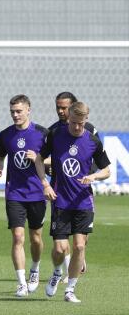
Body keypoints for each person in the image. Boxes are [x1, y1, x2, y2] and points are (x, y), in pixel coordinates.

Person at [37, 101, 110, 303]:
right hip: (61, 201)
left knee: (79, 247)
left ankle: (70, 289)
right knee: (60, 249)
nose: (77, 127)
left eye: (81, 123)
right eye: (74, 122)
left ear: (86, 120)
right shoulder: (56, 136)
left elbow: (107, 170)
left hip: (83, 201)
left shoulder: (93, 141)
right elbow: (38, 159)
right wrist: (45, 184)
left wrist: (94, 177)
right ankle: (57, 271)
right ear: (68, 117)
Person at [0, 95, 49, 297]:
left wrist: (40, 158)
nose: (15, 115)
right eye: (12, 112)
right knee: (18, 237)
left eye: (18, 111)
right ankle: (21, 282)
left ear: (28, 110)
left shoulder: (42, 133)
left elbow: (54, 159)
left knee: (36, 238)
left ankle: (35, 268)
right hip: (14, 193)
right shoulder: (6, 135)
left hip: (36, 193)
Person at [46, 92, 98, 281]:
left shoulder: (90, 131)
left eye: (65, 107)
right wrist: (51, 166)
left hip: (83, 189)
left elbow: (95, 156)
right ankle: (64, 267)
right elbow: (42, 158)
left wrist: (89, 175)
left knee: (80, 242)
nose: (61, 111)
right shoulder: (53, 132)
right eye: (58, 107)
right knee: (61, 243)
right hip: (59, 190)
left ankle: (77, 259)